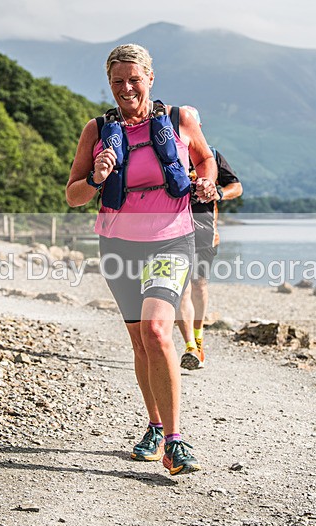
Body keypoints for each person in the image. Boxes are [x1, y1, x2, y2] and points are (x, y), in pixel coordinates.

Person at [66, 43, 218, 475]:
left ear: (151, 78)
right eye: (118, 81)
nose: (126, 88)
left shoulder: (179, 120)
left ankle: (175, 441)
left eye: (135, 79)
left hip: (171, 239)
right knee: (139, 341)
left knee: (156, 330)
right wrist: (96, 178)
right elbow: (73, 195)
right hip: (117, 244)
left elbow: (205, 160)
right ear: (109, 84)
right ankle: (154, 427)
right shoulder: (96, 130)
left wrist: (205, 185)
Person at [177, 106, 243, 371]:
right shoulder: (168, 154)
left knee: (199, 285)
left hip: (205, 232)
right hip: (172, 232)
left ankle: (199, 339)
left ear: (198, 129)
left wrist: (218, 192)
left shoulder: (212, 155)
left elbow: (236, 186)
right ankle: (190, 348)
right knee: (180, 290)